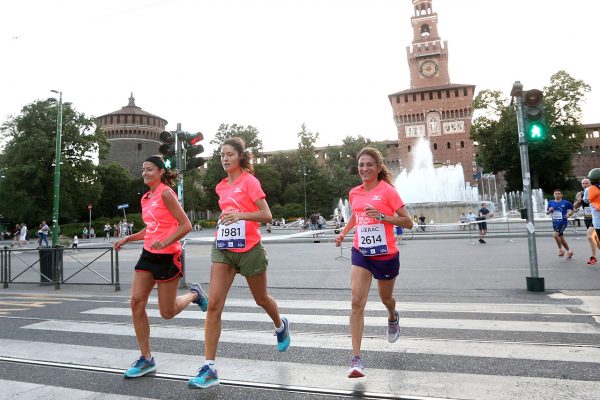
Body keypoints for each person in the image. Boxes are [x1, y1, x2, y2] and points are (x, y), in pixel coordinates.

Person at [188, 137, 290, 390]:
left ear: (240, 157)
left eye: (229, 154)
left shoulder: (250, 182)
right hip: (223, 248)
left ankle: (280, 325)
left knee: (261, 299)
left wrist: (240, 215)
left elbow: (267, 215)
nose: (224, 158)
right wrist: (227, 220)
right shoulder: (221, 186)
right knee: (214, 305)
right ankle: (209, 367)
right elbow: (227, 215)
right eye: (222, 155)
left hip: (250, 249)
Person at [113, 155, 208, 380]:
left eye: (150, 169)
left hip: (167, 256)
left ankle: (194, 294)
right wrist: (128, 238)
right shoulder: (146, 197)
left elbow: (186, 225)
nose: (145, 173)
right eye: (143, 169)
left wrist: (166, 241)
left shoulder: (166, 193)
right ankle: (146, 358)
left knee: (167, 312)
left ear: (160, 172)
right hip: (148, 254)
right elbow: (151, 229)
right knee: (136, 302)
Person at [334, 147, 413, 379]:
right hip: (361, 252)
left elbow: (407, 222)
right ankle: (356, 359)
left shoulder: (388, 191)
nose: (364, 169)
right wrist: (343, 233)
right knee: (357, 301)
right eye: (361, 165)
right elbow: (356, 216)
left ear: (378, 168)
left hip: (386, 254)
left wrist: (383, 217)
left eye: (369, 164)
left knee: (386, 298)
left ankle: (392, 316)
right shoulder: (354, 192)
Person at [570, 178, 600, 265]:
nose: (585, 185)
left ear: (591, 183)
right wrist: (579, 200)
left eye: (587, 183)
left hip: (596, 218)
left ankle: (593, 257)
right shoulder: (580, 193)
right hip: (588, 218)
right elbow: (575, 206)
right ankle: (594, 257)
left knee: (590, 236)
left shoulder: (596, 191)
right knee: (596, 239)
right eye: (583, 183)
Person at [547, 189, 574, 259]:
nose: (557, 195)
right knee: (561, 238)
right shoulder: (551, 202)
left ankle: (560, 250)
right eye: (555, 193)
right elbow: (547, 213)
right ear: (553, 195)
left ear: (561, 195)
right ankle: (570, 251)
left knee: (555, 235)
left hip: (563, 222)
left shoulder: (565, 202)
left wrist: (569, 215)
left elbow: (573, 209)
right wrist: (549, 211)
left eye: (558, 193)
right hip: (555, 222)